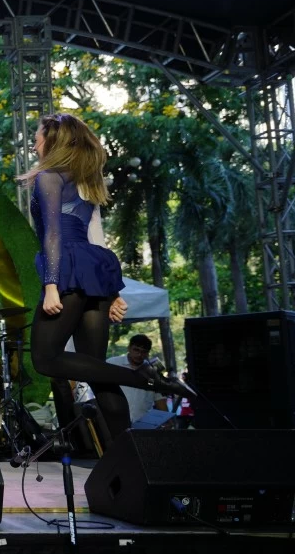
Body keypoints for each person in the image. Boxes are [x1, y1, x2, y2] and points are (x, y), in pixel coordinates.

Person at [23, 114, 189, 442]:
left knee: (44, 359)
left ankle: (144, 377)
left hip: (68, 267)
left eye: (38, 136)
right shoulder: (85, 179)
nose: (34, 142)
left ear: (53, 140)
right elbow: (95, 237)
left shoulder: (48, 177)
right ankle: (131, 455)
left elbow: (54, 234)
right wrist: (112, 291)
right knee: (95, 370)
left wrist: (52, 284)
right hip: (94, 269)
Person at [106, 334, 171, 425]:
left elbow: (159, 399)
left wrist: (167, 421)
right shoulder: (112, 363)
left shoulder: (153, 372)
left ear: (148, 353)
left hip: (143, 423)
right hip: (114, 420)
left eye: (144, 352)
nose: (139, 354)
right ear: (129, 348)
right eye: (136, 350)